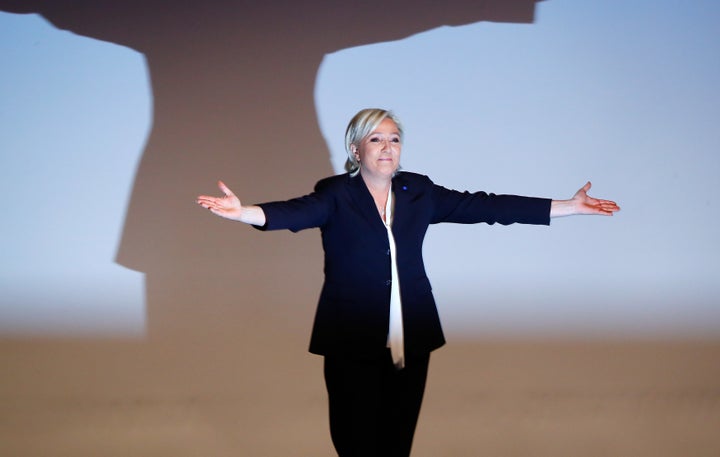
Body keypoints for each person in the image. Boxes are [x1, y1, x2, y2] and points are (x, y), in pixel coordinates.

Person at [196, 108, 620, 457]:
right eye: (376, 139)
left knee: (396, 445)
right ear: (356, 149)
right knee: (354, 443)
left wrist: (568, 206)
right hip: (351, 337)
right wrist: (243, 212)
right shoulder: (334, 195)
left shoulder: (419, 191)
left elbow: (487, 206)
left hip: (411, 337)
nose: (387, 147)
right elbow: (293, 213)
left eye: (394, 138)